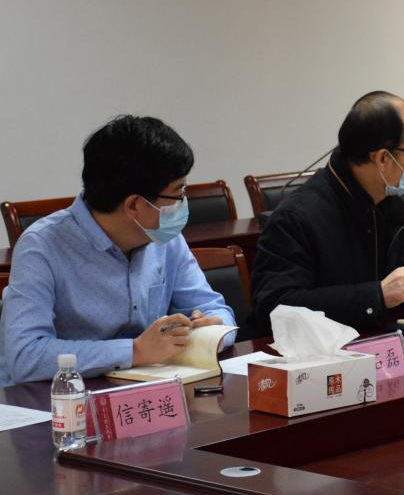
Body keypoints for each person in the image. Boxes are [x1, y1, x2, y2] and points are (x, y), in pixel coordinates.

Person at [0, 116, 234, 386]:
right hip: (55, 400)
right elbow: (26, 355)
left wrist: (213, 331)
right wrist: (134, 351)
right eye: (178, 193)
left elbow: (216, 310)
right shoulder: (42, 246)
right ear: (134, 204)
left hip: (144, 390)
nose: (183, 203)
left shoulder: (164, 237)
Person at [250, 91, 404, 335]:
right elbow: (274, 307)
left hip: (390, 345)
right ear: (383, 158)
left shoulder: (392, 202)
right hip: (325, 353)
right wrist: (377, 296)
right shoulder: (295, 218)